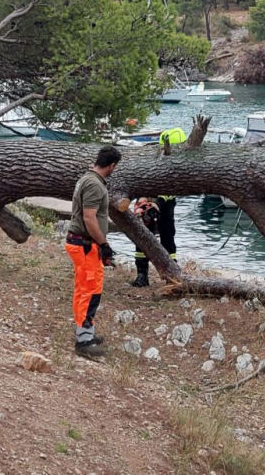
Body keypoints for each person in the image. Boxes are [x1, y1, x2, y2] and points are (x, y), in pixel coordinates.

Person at [67, 146, 120, 358]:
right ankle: (84, 341)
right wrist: (104, 244)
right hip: (86, 244)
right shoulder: (95, 185)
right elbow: (89, 217)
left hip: (84, 244)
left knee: (84, 289)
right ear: (112, 165)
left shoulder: (86, 179)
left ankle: (84, 331)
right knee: (91, 291)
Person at [130, 128, 185, 288]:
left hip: (165, 205)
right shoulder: (153, 160)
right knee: (141, 238)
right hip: (148, 201)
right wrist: (142, 199)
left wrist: (158, 203)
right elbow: (141, 180)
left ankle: (173, 275)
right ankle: (142, 275)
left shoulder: (181, 166)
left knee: (168, 239)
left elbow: (173, 190)